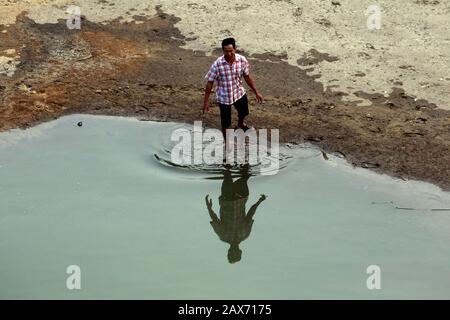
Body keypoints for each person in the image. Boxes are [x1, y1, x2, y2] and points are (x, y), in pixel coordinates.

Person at [203, 38, 264, 140]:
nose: (229, 53)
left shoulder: (242, 60)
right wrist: (206, 102)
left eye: (231, 51)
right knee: (226, 123)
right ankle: (227, 143)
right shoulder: (217, 64)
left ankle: (240, 124)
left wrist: (256, 92)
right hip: (224, 97)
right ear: (223, 51)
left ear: (235, 49)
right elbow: (210, 82)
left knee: (244, 112)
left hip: (238, 92)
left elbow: (247, 77)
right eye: (226, 51)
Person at [205, 166, 267, 263]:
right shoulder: (243, 234)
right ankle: (243, 156)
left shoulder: (225, 235)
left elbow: (215, 219)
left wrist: (209, 207)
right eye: (236, 253)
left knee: (230, 173)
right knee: (241, 174)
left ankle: (233, 156)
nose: (234, 251)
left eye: (232, 253)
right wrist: (259, 202)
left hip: (230, 197)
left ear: (229, 251)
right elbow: (250, 214)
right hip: (236, 197)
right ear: (239, 251)